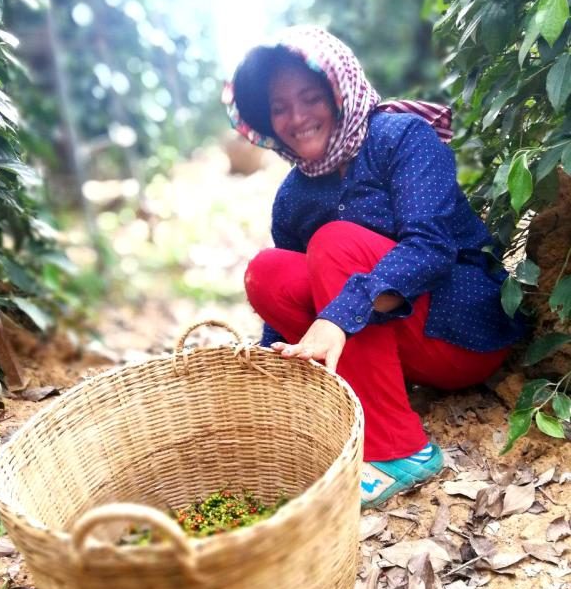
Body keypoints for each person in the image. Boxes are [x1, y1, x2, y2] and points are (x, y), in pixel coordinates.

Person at [222, 26, 524, 508]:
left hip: (458, 329)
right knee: (268, 271)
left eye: (310, 98)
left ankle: (402, 450)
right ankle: (361, 399)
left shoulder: (401, 136)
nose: (297, 118)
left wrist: (337, 317)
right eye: (280, 108)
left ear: (339, 94)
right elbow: (297, 299)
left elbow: (431, 247)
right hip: (387, 343)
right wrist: (264, 369)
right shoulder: (294, 196)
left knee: (336, 242)